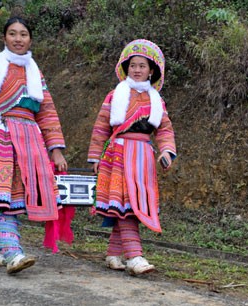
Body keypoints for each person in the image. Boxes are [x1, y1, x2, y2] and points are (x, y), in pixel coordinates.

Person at [0, 16, 68, 274]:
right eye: (13, 34)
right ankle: (13, 254)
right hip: (1, 136)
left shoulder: (35, 72)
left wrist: (55, 149)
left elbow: (47, 112)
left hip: (30, 140)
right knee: (5, 199)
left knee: (17, 197)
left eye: (23, 34)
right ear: (4, 38)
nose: (18, 39)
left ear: (30, 39)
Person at [87, 39, 176, 275]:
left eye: (142, 66)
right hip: (118, 155)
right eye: (133, 65)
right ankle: (135, 257)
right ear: (126, 67)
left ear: (152, 70)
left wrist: (166, 151)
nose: (137, 69)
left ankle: (114, 253)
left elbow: (165, 129)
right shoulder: (115, 95)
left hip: (143, 157)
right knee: (126, 206)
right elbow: (101, 128)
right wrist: (95, 157)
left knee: (130, 205)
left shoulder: (157, 100)